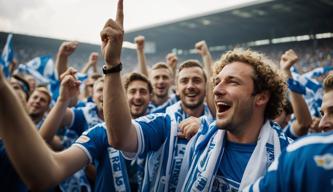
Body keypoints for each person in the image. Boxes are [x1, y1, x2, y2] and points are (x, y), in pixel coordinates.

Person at [100, 4, 214, 191]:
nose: (191, 85)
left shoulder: (220, 122)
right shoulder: (163, 120)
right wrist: (112, 64)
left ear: (206, 85)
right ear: (176, 87)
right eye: (184, 80)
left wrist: (206, 127)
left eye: (196, 80)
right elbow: (120, 138)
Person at [0, 65, 131, 191]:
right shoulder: (85, 115)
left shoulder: (135, 122)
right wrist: (63, 99)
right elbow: (44, 137)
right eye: (100, 90)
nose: (105, 94)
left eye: (110, 90)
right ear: (92, 96)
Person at [177, 49, 292, 191]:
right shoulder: (200, 137)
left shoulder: (291, 161)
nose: (216, 90)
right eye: (217, 82)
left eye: (232, 82)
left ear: (261, 97)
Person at [243, 74, 333, 192]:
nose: (322, 124)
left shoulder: (292, 145)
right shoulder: (299, 156)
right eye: (322, 114)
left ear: (288, 117)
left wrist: (287, 73)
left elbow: (303, 123)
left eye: (277, 112)